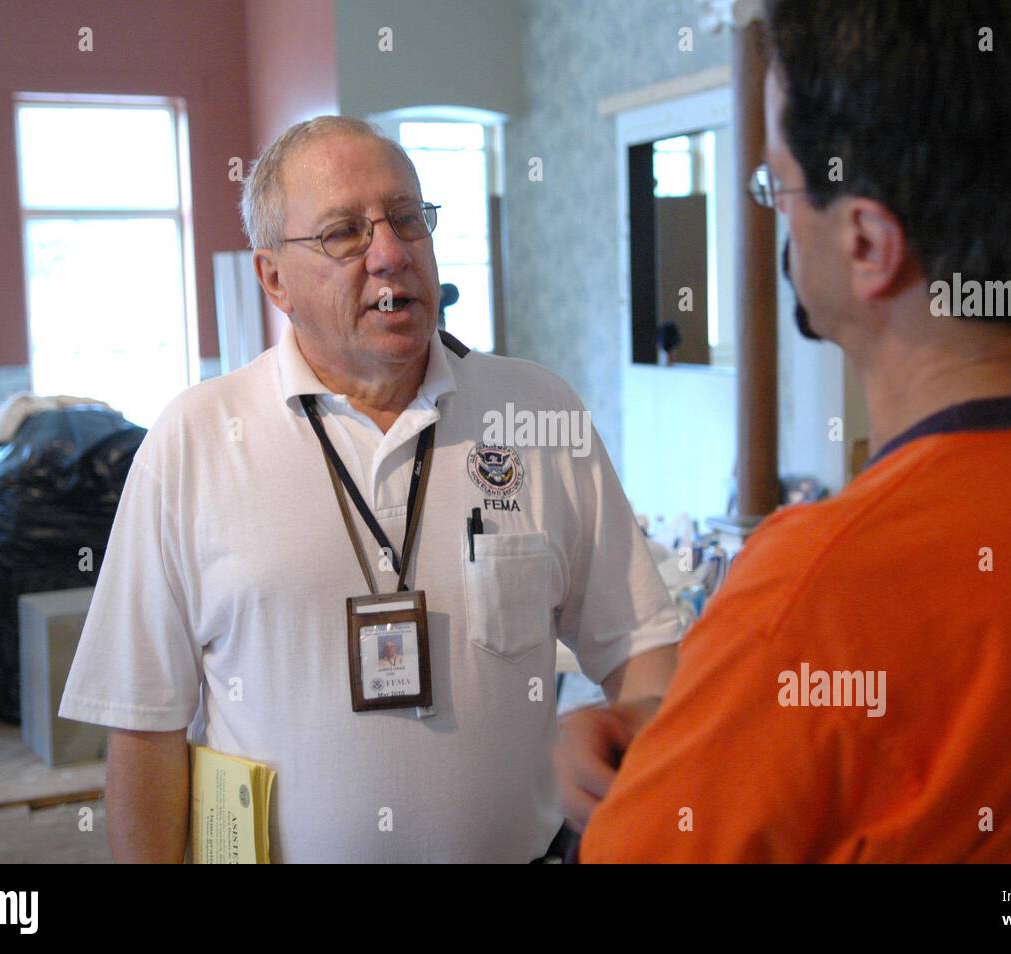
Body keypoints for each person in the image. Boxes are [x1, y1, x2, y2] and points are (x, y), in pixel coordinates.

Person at [566, 0, 1011, 862]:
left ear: (865, 242)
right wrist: (694, 723)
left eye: (775, 187)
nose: (777, 216)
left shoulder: (816, 592)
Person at [59, 116, 680, 863]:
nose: (390, 254)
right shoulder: (193, 440)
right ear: (274, 279)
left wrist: (634, 734)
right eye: (344, 233)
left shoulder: (538, 413)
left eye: (408, 219)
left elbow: (641, 640)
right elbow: (143, 724)